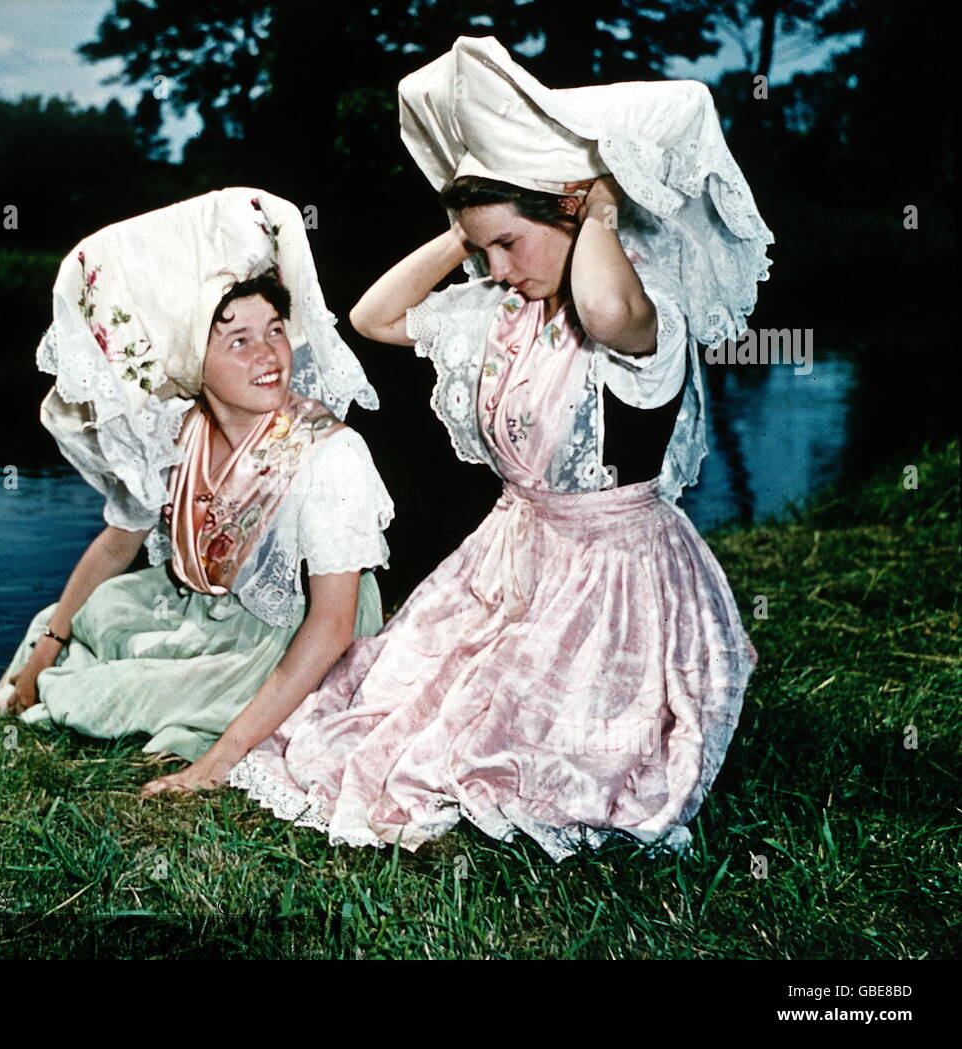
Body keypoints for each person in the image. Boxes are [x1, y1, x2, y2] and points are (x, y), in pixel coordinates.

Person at [226, 38, 772, 860]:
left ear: (576, 212)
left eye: (510, 244)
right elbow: (375, 317)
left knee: (520, 755)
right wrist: (466, 230)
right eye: (486, 253)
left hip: (612, 580)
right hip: (512, 556)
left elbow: (605, 301)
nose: (497, 268)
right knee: (402, 712)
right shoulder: (508, 310)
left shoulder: (641, 308)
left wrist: (599, 210)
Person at [0, 189, 393, 797]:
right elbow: (117, 542)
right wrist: (49, 643)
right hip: (205, 616)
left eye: (275, 331)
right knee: (65, 620)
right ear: (189, 359)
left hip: (288, 635)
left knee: (107, 692)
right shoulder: (176, 435)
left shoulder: (328, 453)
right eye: (237, 339)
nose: (268, 356)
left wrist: (218, 762)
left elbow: (334, 624)